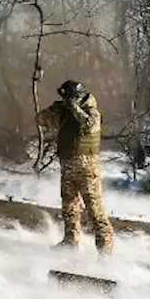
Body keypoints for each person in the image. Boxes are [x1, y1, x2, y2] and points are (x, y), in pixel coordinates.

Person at [37, 79, 114, 253]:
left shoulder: (92, 112)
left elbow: (88, 126)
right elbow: (41, 119)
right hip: (68, 167)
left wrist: (73, 108)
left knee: (94, 209)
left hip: (88, 171)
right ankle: (70, 241)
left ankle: (105, 246)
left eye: (68, 98)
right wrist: (55, 108)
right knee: (69, 207)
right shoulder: (65, 113)